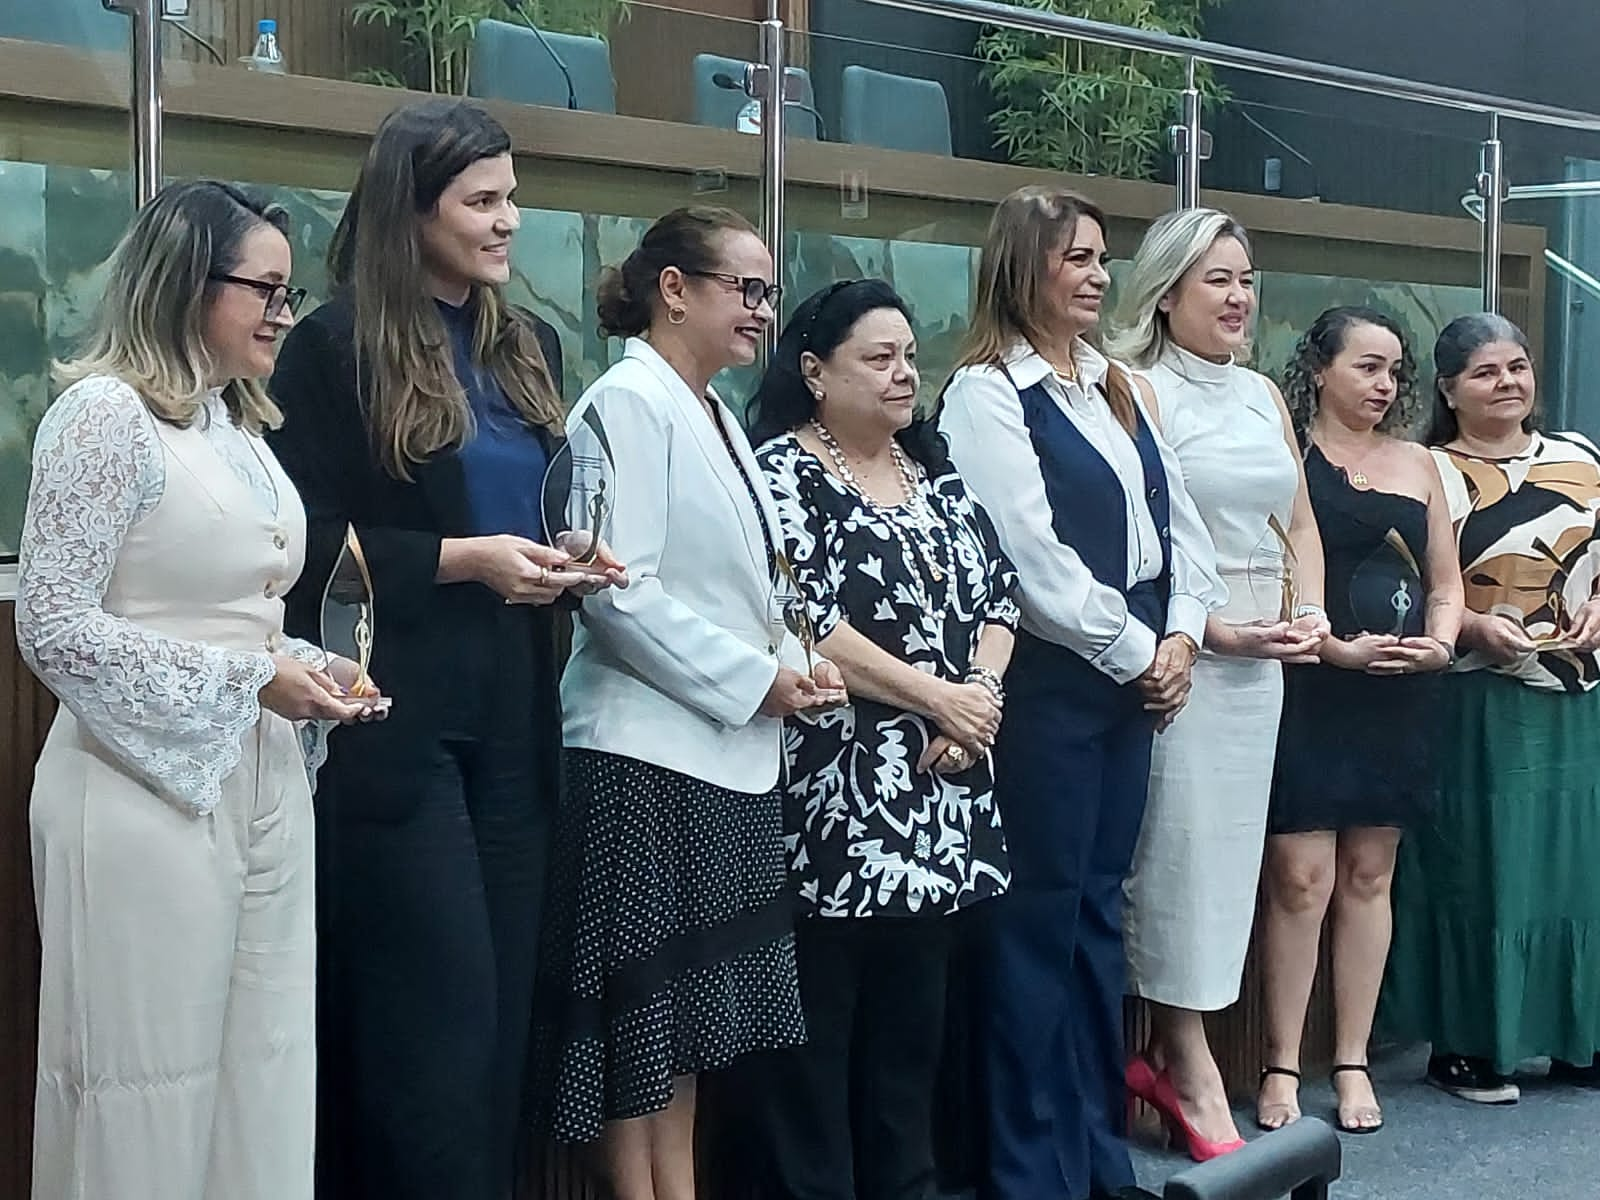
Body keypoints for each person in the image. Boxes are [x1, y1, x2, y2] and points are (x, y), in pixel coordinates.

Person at [268, 100, 621, 1200]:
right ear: (409, 211)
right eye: (483, 200)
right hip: (395, 720)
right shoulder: (331, 347)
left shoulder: (530, 343)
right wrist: (465, 560)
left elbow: (536, 500)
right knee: (434, 1027)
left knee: (507, 1018)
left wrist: (570, 553)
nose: (510, 220)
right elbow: (301, 540)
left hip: (518, 712)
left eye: (512, 196)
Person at [17, 180, 380, 1200]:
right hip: (137, 788)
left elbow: (244, 611)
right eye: (262, 288)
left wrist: (306, 665)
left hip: (262, 781)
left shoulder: (237, 427)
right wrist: (250, 676)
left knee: (262, 1074)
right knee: (141, 1087)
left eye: (288, 290)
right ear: (184, 284)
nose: (282, 312)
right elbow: (50, 626)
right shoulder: (102, 416)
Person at [535, 206, 847, 1200]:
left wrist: (795, 658)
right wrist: (758, 679)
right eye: (743, 290)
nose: (762, 312)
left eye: (766, 293)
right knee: (636, 1029)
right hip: (641, 754)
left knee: (688, 1035)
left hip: (720, 754)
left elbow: (739, 585)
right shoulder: (626, 401)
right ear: (674, 290)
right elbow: (619, 590)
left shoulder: (708, 408)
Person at [940, 185, 1223, 1200]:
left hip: (1132, 682)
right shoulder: (982, 394)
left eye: (1103, 259)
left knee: (1100, 919)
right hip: (1057, 688)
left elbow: (1181, 530)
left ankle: (1094, 1159)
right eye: (1077, 259)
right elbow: (1026, 559)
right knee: (1036, 927)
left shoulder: (1116, 384)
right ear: (1024, 267)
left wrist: (1183, 634)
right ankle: (1026, 1170)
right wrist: (1139, 648)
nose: (1099, 277)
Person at [744, 278, 1019, 1199]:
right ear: (815, 371)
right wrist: (939, 699)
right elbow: (805, 617)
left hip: (944, 788)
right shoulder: (782, 472)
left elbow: (1000, 599)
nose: (905, 375)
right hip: (837, 791)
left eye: (910, 356)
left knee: (915, 1029)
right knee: (821, 1029)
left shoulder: (931, 470)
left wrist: (975, 695)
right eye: (880, 358)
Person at [1106, 209, 1328, 1160]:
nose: (1239, 297)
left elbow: (1302, 523)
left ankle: (1177, 1046)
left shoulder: (1262, 397)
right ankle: (1183, 1057)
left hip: (1265, 662)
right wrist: (1208, 629)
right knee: (1176, 863)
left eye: (1247, 278)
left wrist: (1310, 612)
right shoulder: (1135, 388)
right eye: (1218, 280)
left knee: (1231, 865)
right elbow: (1143, 540)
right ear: (1164, 291)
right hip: (1185, 649)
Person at [1257, 306, 1462, 1135]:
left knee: (1371, 876)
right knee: (1301, 881)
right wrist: (1330, 644)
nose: (1383, 385)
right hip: (1312, 683)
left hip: (1399, 691)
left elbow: (1447, 584)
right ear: (1319, 369)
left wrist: (1440, 648)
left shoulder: (1419, 463)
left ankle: (1351, 1059)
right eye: (1365, 368)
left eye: (1392, 371)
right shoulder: (1285, 455)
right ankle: (1279, 1063)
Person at [1386, 313, 1600, 1102]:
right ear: (1447, 389)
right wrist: (1474, 624)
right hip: (1478, 693)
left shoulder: (1581, 457)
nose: (1508, 382)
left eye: (1518, 366)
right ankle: (1470, 1043)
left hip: (1577, 693)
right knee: (1486, 870)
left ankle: (1578, 1037)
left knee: (1577, 870)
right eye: (1485, 372)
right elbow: (1409, 582)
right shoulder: (1424, 469)